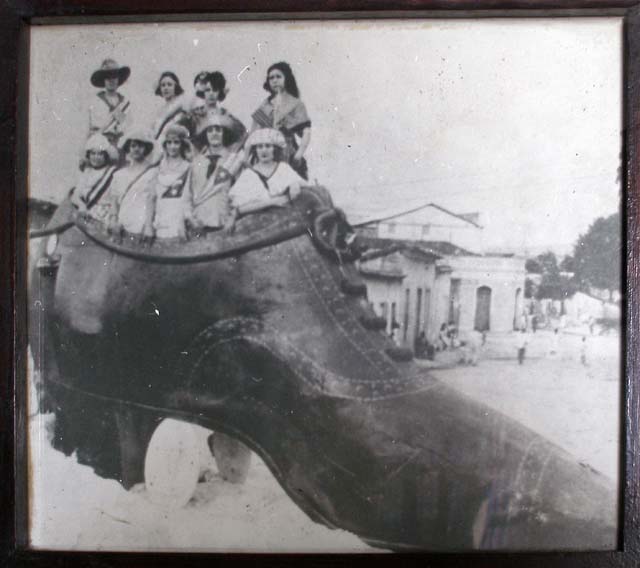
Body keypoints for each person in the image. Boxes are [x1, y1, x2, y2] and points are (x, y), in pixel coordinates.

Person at [227, 128, 304, 228]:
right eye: (260, 147)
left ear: (275, 149)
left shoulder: (283, 168)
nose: (264, 150)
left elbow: (301, 187)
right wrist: (273, 202)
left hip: (284, 222)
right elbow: (240, 209)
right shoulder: (249, 174)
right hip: (258, 226)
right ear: (255, 150)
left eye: (268, 146)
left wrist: (295, 183)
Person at [251, 61, 311, 179]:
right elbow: (254, 132)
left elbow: (306, 132)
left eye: (278, 76)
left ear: (286, 78)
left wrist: (299, 155)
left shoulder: (295, 104)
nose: (274, 80)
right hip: (266, 151)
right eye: (271, 78)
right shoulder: (265, 105)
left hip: (287, 153)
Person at [184, 114, 240, 232]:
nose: (214, 133)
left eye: (218, 130)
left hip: (223, 223)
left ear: (224, 134)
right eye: (210, 130)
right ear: (205, 135)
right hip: (198, 223)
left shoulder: (234, 160)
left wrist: (233, 218)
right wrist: (190, 218)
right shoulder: (196, 162)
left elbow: (240, 192)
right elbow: (187, 194)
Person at [142, 124, 192, 239]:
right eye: (169, 142)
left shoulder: (188, 167)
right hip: (161, 218)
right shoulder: (158, 168)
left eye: (176, 142)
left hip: (179, 220)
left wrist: (183, 222)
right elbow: (151, 197)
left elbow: (188, 199)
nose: (172, 146)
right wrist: (148, 225)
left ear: (182, 145)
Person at [105, 129, 158, 235]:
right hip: (122, 222)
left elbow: (153, 199)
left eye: (140, 146)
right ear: (128, 148)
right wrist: (114, 219)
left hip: (142, 223)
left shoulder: (153, 172)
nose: (136, 149)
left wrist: (148, 225)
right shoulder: (119, 175)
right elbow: (114, 200)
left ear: (145, 148)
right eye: (133, 146)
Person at [70, 133, 119, 222]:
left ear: (106, 156)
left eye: (100, 154)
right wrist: (82, 206)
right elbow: (75, 195)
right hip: (85, 210)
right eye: (93, 153)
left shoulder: (112, 173)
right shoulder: (87, 171)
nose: (96, 157)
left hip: (103, 215)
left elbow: (114, 200)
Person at [87, 59, 133, 149]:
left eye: (114, 76)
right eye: (108, 77)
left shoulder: (125, 102)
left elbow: (128, 126)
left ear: (118, 79)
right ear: (103, 80)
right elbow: (89, 128)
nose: (111, 80)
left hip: (120, 145)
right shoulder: (95, 101)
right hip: (101, 145)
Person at [199, 71, 246, 151]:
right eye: (207, 90)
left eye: (215, 90)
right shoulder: (193, 115)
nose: (211, 94)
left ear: (220, 92)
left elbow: (244, 134)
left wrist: (232, 150)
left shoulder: (225, 115)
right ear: (202, 92)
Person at [150, 71, 188, 141]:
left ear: (175, 87)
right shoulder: (160, 109)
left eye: (169, 85)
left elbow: (165, 120)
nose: (166, 88)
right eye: (163, 85)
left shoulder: (181, 104)